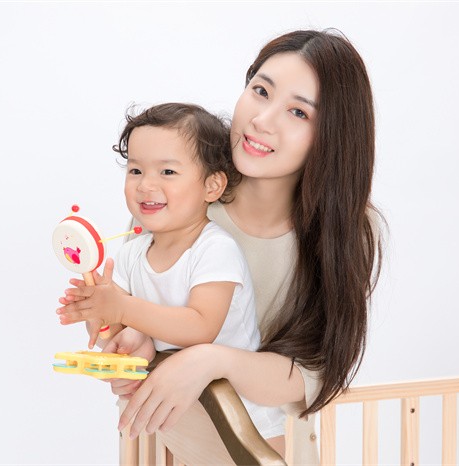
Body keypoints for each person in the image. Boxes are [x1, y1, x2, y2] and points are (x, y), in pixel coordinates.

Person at [60, 29, 382, 463]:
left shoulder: (346, 231)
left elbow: (311, 374)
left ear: (333, 134)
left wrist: (213, 361)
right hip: (163, 442)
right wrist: (129, 343)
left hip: (259, 448)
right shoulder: (177, 191)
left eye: (298, 112)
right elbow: (132, 308)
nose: (262, 120)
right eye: (261, 91)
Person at [58, 102, 287, 441]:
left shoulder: (215, 249)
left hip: (248, 424)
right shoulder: (132, 253)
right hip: (183, 418)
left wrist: (121, 307)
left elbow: (200, 327)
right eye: (136, 170)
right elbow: (115, 332)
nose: (145, 185)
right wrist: (97, 312)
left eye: (167, 172)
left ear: (212, 186)